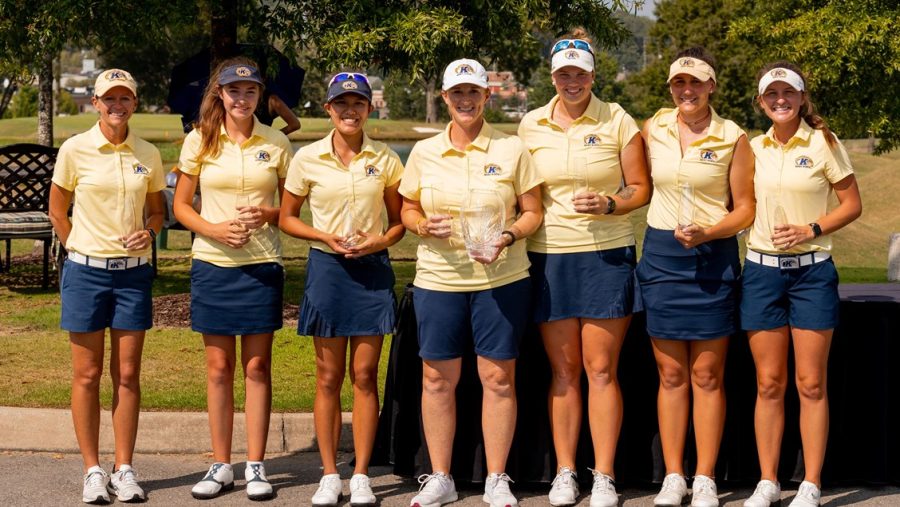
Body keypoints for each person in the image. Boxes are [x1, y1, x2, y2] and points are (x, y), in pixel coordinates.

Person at [399, 58, 543, 507]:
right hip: (439, 279)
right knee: (437, 379)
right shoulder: (424, 152)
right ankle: (440, 475)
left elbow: (533, 212)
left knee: (498, 378)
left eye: (473, 92)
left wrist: (508, 235)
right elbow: (406, 212)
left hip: (502, 278)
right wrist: (423, 226)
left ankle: (497, 477)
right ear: (445, 98)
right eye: (457, 93)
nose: (465, 100)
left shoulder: (511, 149)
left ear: (486, 96)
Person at [517, 30, 650, 507]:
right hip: (549, 257)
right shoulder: (530, 124)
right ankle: (566, 471)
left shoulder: (618, 119)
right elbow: (520, 192)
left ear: (593, 74)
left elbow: (640, 188)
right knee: (564, 371)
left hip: (606, 256)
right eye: (563, 73)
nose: (571, 81)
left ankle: (605, 475)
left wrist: (612, 202)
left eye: (580, 72)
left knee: (600, 370)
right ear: (552, 76)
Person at [278, 72, 405, 507]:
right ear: (328, 109)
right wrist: (323, 237)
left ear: (370, 108)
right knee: (328, 376)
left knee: (365, 376)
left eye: (358, 103)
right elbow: (287, 218)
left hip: (371, 271)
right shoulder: (307, 158)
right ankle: (330, 473)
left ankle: (363, 473)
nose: (350, 111)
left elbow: (399, 221)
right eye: (341, 103)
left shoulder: (386, 159)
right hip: (328, 270)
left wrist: (380, 241)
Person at [636, 47, 755, 507]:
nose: (687, 90)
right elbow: (638, 182)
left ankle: (704, 476)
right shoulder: (654, 127)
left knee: (707, 374)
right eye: (679, 84)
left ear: (711, 86)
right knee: (670, 374)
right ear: (671, 89)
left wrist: (709, 231)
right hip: (663, 257)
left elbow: (745, 207)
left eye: (696, 82)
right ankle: (673, 475)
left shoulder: (733, 136)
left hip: (712, 256)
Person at [740, 62, 862, 507]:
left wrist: (811, 229)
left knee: (810, 383)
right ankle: (768, 481)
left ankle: (810, 483)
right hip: (761, 273)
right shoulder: (751, 148)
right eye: (770, 94)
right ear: (760, 101)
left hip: (812, 273)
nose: (779, 100)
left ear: (801, 97)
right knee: (769, 383)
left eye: (787, 92)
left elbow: (852, 204)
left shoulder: (824, 143)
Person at [173, 57, 292, 501]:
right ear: (219, 94)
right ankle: (222, 464)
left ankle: (256, 465)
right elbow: (181, 206)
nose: (242, 99)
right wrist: (214, 228)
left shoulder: (277, 142)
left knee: (257, 367)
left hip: (262, 265)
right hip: (212, 263)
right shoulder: (199, 140)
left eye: (250, 92)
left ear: (260, 96)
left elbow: (293, 211)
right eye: (234, 91)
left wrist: (268, 214)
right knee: (219, 369)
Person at [48, 69, 165, 504]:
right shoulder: (75, 149)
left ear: (135, 103)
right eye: (109, 98)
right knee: (87, 374)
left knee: (128, 375)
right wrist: (76, 246)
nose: (118, 105)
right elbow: (57, 210)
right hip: (86, 273)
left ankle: (125, 468)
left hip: (133, 275)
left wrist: (150, 234)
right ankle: (92, 470)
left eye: (126, 98)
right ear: (95, 102)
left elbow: (157, 212)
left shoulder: (148, 153)